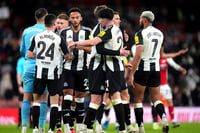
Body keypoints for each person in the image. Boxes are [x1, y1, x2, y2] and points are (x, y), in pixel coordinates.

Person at [68, 8, 130, 133]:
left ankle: (121, 128)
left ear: (104, 19)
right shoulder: (117, 30)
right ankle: (88, 127)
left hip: (108, 66)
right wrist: (119, 52)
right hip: (113, 66)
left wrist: (75, 43)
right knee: (102, 98)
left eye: (100, 19)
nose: (98, 21)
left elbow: (94, 43)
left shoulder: (108, 31)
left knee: (110, 98)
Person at [128, 10, 188, 133]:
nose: (139, 20)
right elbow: (161, 55)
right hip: (155, 70)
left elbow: (138, 56)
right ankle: (164, 119)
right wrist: (176, 54)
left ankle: (141, 128)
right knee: (156, 99)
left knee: (138, 100)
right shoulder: (160, 33)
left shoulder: (140, 34)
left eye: (140, 18)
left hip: (143, 68)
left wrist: (132, 74)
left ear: (144, 19)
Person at [96, 11, 137, 133]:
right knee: (106, 99)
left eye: (119, 18)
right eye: (116, 18)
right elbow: (101, 49)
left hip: (118, 68)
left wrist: (124, 63)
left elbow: (121, 52)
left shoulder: (119, 33)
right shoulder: (105, 32)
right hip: (108, 70)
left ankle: (127, 125)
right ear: (110, 20)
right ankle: (99, 124)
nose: (119, 20)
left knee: (125, 96)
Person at [27, 13, 69, 133]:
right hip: (54, 74)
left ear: (44, 23)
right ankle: (51, 130)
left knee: (36, 102)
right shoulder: (59, 38)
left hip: (39, 72)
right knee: (54, 103)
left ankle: (35, 128)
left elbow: (29, 54)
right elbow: (67, 56)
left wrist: (39, 56)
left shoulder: (37, 36)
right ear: (54, 24)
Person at [59, 7, 92, 133]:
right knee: (67, 96)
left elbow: (92, 49)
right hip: (68, 69)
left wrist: (79, 45)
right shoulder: (63, 32)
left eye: (77, 17)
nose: (75, 19)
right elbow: (60, 51)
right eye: (72, 17)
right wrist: (67, 55)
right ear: (69, 19)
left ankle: (78, 127)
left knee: (79, 99)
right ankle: (67, 127)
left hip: (83, 69)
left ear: (81, 18)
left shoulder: (88, 32)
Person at [20, 8, 48, 133]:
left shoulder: (26, 31)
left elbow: (22, 50)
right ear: (46, 17)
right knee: (43, 98)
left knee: (26, 98)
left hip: (29, 66)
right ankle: (41, 127)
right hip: (43, 66)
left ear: (35, 17)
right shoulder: (48, 31)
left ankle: (24, 128)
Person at [151, 57, 187, 129]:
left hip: (164, 85)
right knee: (153, 103)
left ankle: (173, 121)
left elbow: (174, 65)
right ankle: (155, 122)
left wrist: (181, 69)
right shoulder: (153, 57)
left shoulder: (166, 58)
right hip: (155, 85)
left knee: (170, 101)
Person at [55, 13, 69, 133]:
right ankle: (59, 126)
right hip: (57, 71)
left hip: (70, 70)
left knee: (72, 98)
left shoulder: (72, 36)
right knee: (59, 99)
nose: (59, 25)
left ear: (67, 24)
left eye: (61, 23)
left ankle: (70, 124)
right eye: (57, 23)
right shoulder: (53, 36)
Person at [16, 56, 25, 129]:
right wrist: (19, 85)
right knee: (21, 104)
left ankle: (32, 123)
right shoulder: (21, 60)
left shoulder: (33, 59)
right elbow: (18, 74)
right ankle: (19, 122)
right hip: (23, 83)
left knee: (32, 103)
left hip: (31, 81)